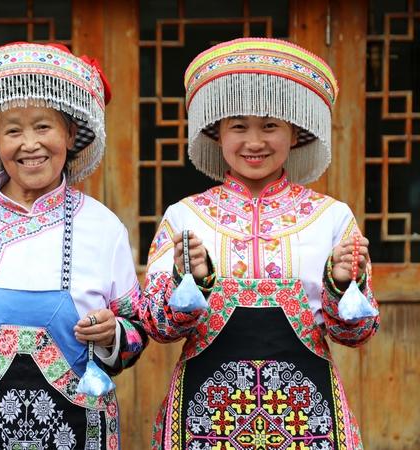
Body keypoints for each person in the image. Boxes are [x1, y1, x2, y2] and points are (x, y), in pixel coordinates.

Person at [139, 38, 379, 450]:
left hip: (309, 422)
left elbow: (358, 332)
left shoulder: (332, 217)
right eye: (238, 127)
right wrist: (189, 282)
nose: (254, 142)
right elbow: (155, 326)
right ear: (216, 134)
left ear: (296, 133)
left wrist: (340, 285)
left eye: (270, 126)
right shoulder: (184, 216)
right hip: (203, 423)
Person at [0, 42, 148, 449]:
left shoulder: (103, 227)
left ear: (71, 133)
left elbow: (135, 334)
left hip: (79, 430)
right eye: (13, 130)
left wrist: (113, 335)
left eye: (43, 126)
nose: (30, 144)